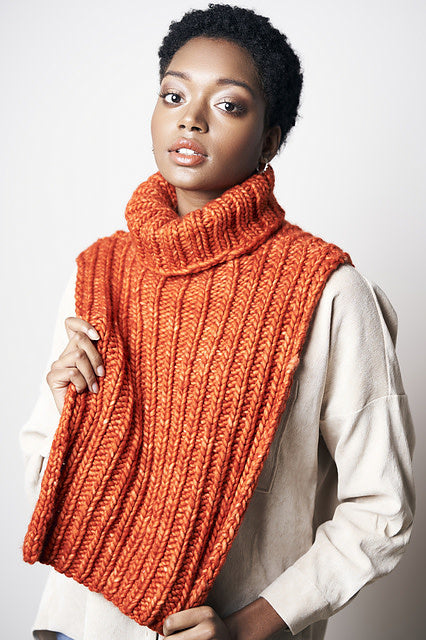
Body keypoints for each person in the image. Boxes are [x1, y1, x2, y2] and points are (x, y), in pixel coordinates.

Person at [19, 4, 415, 640]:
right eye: (173, 95)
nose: (191, 119)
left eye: (228, 104)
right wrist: (70, 407)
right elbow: (46, 487)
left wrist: (248, 628)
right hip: (80, 623)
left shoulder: (328, 290)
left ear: (271, 140)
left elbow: (381, 511)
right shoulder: (100, 272)